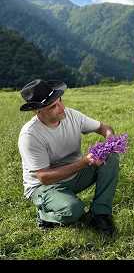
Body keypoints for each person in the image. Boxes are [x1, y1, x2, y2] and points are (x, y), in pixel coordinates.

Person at [18, 79, 119, 236]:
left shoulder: (71, 115)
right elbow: (44, 177)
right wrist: (84, 162)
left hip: (75, 175)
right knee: (73, 210)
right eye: (53, 106)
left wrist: (110, 138)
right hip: (44, 187)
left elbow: (103, 127)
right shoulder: (30, 135)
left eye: (60, 101)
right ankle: (45, 216)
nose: (62, 108)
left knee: (110, 157)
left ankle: (101, 214)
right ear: (37, 111)